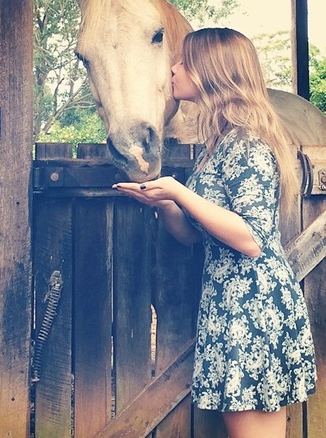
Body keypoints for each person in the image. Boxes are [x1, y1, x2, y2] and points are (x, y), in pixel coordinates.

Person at [113, 28, 317, 438]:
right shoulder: (219, 143)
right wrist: (166, 204)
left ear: (213, 72)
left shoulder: (246, 143)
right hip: (231, 303)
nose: (173, 69)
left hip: (254, 306)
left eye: (184, 62)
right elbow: (193, 236)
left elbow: (252, 239)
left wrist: (179, 191)